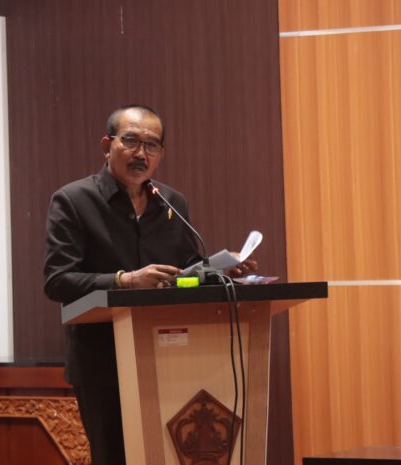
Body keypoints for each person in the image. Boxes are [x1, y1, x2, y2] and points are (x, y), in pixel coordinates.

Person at [43, 104, 256, 465]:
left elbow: (185, 274)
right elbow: (57, 280)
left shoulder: (171, 203)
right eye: (131, 141)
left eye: (151, 145)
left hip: (169, 356)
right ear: (107, 145)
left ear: (161, 155)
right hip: (102, 363)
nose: (141, 154)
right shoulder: (73, 201)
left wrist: (221, 271)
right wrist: (124, 281)